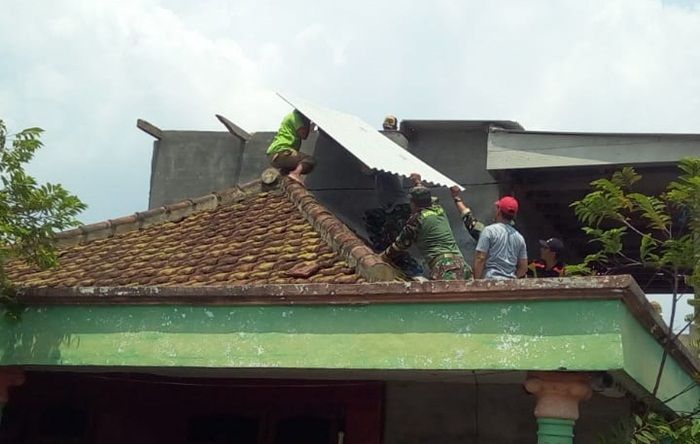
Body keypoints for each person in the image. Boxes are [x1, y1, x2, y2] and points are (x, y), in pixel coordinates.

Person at [381, 174, 472, 280]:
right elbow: (427, 198)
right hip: (462, 265)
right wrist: (418, 183)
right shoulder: (438, 209)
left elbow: (399, 245)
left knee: (445, 296)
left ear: (413, 203)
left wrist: (382, 257)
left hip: (445, 268)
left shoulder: (416, 220)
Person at [472, 196, 528, 280]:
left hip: (490, 282)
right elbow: (523, 268)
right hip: (510, 285)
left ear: (498, 211)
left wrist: (477, 281)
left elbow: (481, 258)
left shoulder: (489, 231)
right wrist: (512, 278)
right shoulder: (520, 238)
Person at [267, 110, 315, 184]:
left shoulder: (290, 116)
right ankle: (295, 174)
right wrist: (308, 121)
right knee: (309, 160)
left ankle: (283, 181)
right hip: (282, 151)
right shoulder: (296, 117)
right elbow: (303, 135)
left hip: (275, 154)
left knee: (287, 171)